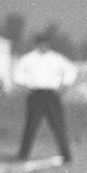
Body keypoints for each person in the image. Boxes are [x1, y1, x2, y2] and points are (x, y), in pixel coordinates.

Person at [13, 35, 78, 165]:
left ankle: (66, 156)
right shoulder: (28, 59)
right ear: (37, 44)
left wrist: (64, 86)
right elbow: (17, 73)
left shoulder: (56, 58)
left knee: (58, 125)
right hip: (35, 94)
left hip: (51, 95)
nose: (44, 46)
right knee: (31, 126)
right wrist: (24, 85)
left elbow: (71, 70)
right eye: (41, 43)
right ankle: (23, 155)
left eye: (46, 43)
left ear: (49, 44)